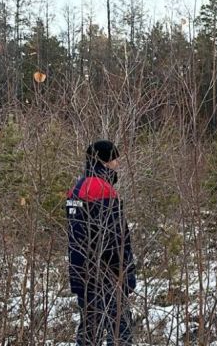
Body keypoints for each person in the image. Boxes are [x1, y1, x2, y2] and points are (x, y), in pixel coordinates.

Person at [67, 140, 136, 345]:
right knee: (120, 329)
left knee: (89, 329)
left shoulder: (77, 189)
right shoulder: (103, 191)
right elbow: (116, 240)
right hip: (107, 275)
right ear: (106, 161)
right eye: (115, 158)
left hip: (81, 272)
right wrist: (125, 274)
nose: (118, 162)